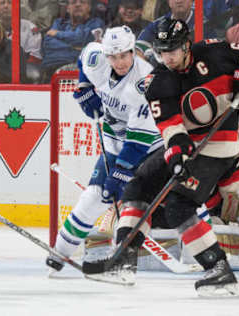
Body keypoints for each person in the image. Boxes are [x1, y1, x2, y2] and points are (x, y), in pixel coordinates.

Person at [83, 18, 239, 297]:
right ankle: (123, 261)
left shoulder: (214, 50)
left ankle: (219, 271)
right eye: (161, 51)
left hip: (220, 146)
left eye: (173, 50)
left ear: (187, 45)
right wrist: (177, 154)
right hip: (191, 144)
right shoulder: (157, 81)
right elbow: (170, 126)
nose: (167, 57)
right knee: (138, 184)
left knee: (179, 204)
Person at [45, 25, 163, 272]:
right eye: (113, 56)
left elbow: (136, 142)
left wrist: (120, 174)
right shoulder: (97, 58)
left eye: (124, 55)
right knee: (94, 198)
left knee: (165, 200)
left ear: (133, 51)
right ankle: (60, 253)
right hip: (114, 141)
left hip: (150, 147)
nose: (119, 62)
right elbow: (84, 58)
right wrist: (85, 88)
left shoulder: (145, 82)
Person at [40, 0, 105, 83]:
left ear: (89, 7)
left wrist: (58, 34)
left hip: (84, 74)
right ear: (68, 8)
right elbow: (47, 44)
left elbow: (82, 38)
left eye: (82, 2)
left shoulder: (96, 23)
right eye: (73, 2)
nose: (78, 5)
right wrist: (77, 48)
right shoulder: (59, 23)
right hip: (51, 73)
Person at [136, 0, 217, 59]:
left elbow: (214, 51)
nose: (179, 1)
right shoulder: (159, 24)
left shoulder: (204, 24)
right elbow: (139, 47)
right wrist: (150, 54)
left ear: (191, 2)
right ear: (169, 2)